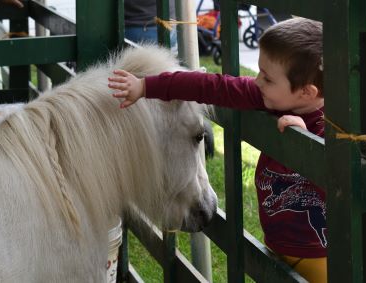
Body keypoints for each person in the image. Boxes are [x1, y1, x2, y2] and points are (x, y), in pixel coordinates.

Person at [108, 17, 326, 283]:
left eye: (267, 78)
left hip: (320, 254)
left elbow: (339, 180)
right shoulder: (268, 95)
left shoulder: (332, 129)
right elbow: (209, 86)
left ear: (306, 92)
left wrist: (306, 141)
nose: (256, 81)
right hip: (278, 244)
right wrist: (145, 87)